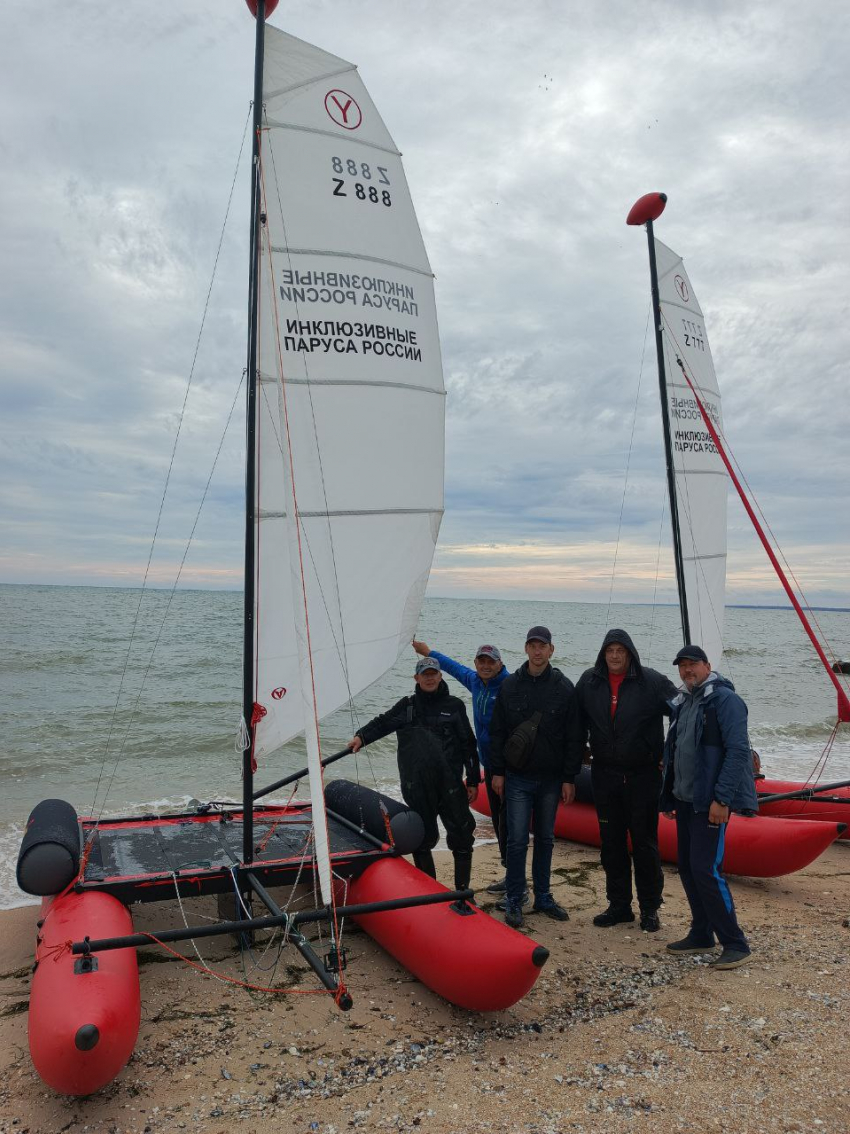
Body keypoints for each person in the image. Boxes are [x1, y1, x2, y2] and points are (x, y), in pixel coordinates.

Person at [660, 644, 758, 970]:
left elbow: (739, 752)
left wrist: (723, 799)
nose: (687, 671)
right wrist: (671, 795)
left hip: (710, 803)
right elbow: (678, 750)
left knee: (706, 869)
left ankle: (735, 943)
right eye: (682, 667)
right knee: (688, 868)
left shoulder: (725, 701)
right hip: (686, 800)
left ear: (707, 665)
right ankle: (701, 933)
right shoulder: (686, 701)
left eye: (692, 665)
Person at [349, 656, 479, 897]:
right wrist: (361, 737)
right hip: (417, 787)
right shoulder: (407, 707)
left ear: (440, 676)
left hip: (450, 786)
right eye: (425, 674)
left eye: (433, 673)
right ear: (416, 678)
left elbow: (468, 745)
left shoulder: (454, 706)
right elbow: (383, 723)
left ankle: (462, 892)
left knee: (461, 837)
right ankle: (431, 892)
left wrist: (472, 780)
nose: (429, 678)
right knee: (422, 839)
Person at [575, 629, 678, 932]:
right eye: (610, 650)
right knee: (611, 844)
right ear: (603, 654)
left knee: (645, 844)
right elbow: (574, 720)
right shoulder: (590, 682)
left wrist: (670, 753)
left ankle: (650, 908)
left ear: (630, 652)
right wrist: (575, 756)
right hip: (604, 775)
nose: (616, 655)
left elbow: (682, 710)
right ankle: (618, 906)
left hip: (643, 776)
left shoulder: (651, 681)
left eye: (621, 650)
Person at [489, 626, 583, 929]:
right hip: (517, 777)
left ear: (551, 650)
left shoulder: (564, 687)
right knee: (516, 841)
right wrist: (497, 772)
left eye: (543, 646)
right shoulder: (511, 686)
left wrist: (569, 777)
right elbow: (498, 732)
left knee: (545, 839)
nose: (538, 651)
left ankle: (543, 896)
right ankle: (515, 899)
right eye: (533, 645)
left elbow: (574, 737)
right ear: (526, 649)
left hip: (552, 779)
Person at [412, 638, 510, 889]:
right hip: (490, 766)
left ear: (500, 664)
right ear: (476, 663)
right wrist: (428, 652)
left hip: (509, 768)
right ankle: (510, 873)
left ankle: (516, 881)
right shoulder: (476, 681)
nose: (486, 666)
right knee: (500, 822)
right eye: (481, 661)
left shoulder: (510, 686)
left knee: (510, 823)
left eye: (491, 662)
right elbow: (453, 667)